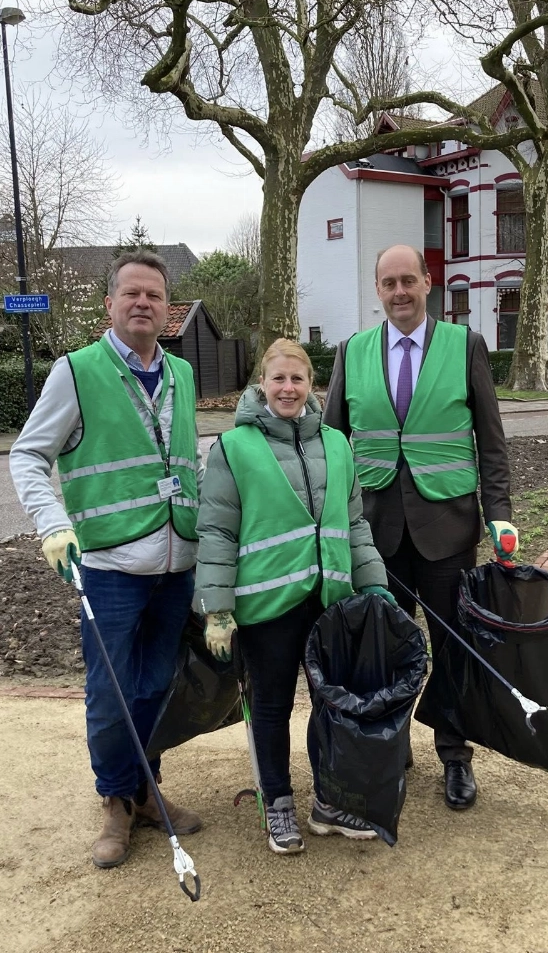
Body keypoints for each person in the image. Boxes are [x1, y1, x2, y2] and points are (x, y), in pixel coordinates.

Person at [9, 251, 203, 869]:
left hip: (178, 564)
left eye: (154, 295)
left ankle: (147, 789)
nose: (143, 303)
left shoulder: (182, 373)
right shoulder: (76, 372)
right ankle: (115, 801)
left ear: (168, 308)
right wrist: (52, 525)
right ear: (110, 304)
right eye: (132, 294)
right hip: (112, 567)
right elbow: (28, 455)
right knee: (110, 692)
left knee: (157, 685)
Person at [322, 244, 516, 811]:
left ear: (428, 283)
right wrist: (331, 524)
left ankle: (455, 756)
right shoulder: (351, 352)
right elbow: (333, 445)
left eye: (409, 280)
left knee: (452, 647)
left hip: (447, 529)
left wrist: (499, 514)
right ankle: (390, 747)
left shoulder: (465, 347)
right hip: (374, 531)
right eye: (389, 282)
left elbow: (492, 442)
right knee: (382, 648)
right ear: (377, 290)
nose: (400, 291)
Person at [194, 339, 394, 855]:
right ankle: (277, 800)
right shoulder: (233, 449)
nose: (287, 388)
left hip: (329, 599)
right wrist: (217, 609)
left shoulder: (336, 445)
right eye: (278, 379)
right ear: (262, 382)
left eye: (297, 379)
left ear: (311, 386)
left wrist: (375, 586)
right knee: (273, 705)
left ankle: (330, 800)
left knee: (333, 705)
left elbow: (353, 525)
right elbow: (216, 532)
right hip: (268, 605)